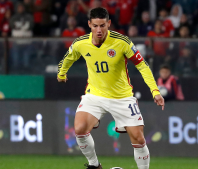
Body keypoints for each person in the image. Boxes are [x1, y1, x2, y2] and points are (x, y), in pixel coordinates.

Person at [57, 7, 164, 169]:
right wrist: (62, 73)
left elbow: (142, 65)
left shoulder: (122, 42)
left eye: (102, 25)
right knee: (79, 129)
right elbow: (68, 58)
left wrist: (155, 91)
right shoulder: (81, 43)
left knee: (138, 138)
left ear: (109, 24)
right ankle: (94, 165)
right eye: (95, 26)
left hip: (122, 97)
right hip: (95, 95)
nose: (99, 30)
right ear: (89, 25)